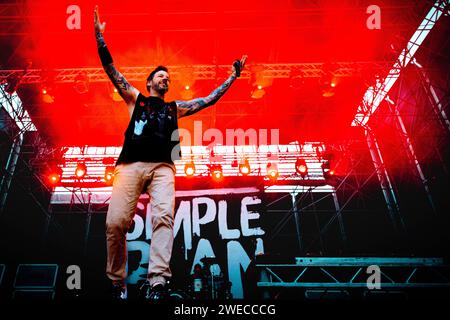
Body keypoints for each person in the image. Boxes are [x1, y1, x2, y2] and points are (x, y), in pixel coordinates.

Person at [94, 6, 247, 300]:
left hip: (164, 167)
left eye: (168, 77)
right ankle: (117, 282)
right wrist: (100, 37)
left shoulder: (175, 108)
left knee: (163, 218)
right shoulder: (135, 99)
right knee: (115, 223)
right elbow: (112, 71)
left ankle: (158, 283)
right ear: (150, 82)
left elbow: (210, 100)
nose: (166, 79)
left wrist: (233, 77)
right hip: (129, 165)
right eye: (161, 76)